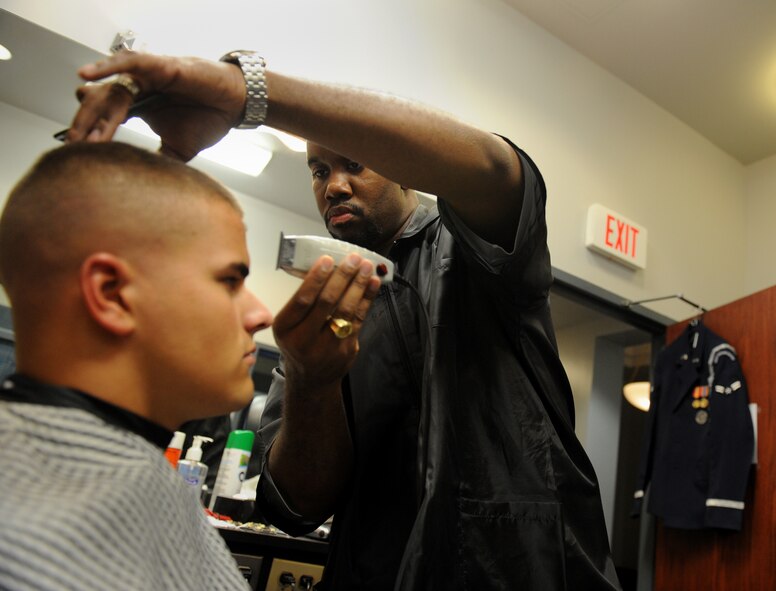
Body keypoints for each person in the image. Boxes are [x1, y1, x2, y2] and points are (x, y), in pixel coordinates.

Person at [66, 51, 622, 590]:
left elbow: (494, 169)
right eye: (318, 169)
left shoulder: (480, 253)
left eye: (353, 163)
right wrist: (312, 376)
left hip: (528, 569)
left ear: (405, 171)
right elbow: (297, 506)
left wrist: (246, 93)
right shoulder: (326, 309)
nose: (332, 185)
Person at [0, 141, 379, 590]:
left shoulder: (137, 484)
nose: (261, 315)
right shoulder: (26, 547)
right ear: (112, 295)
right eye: (229, 280)